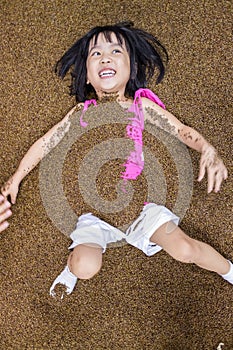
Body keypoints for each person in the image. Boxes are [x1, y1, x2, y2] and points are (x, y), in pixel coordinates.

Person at [1, 22, 232, 298]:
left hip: (140, 208)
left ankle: (228, 269)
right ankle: (70, 268)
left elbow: (180, 130)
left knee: (185, 249)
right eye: (95, 54)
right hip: (95, 214)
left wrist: (206, 147)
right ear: (87, 76)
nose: (105, 57)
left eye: (115, 51)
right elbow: (45, 143)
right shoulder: (81, 113)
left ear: (131, 69)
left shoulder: (140, 106)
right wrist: (16, 178)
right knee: (85, 266)